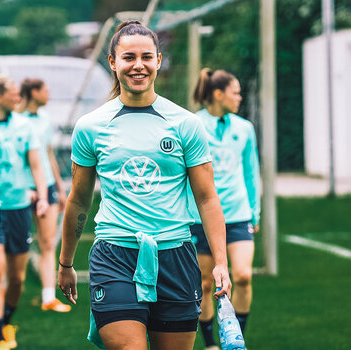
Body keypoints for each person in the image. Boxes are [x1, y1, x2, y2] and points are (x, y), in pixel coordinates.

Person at [57, 21, 232, 350]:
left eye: (146, 57)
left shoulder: (186, 125)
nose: (138, 65)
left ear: (159, 60)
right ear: (112, 62)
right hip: (115, 255)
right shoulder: (90, 127)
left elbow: (207, 198)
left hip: (175, 256)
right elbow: (78, 201)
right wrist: (66, 263)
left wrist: (220, 262)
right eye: (128, 57)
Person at [189, 68, 261, 350]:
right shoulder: (193, 124)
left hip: (238, 215)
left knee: (242, 276)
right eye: (236, 92)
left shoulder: (244, 128)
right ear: (218, 94)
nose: (240, 97)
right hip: (201, 219)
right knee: (206, 284)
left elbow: (251, 171)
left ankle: (236, 340)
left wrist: (254, 211)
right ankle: (210, 344)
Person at [0, 73, 49, 350]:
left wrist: (41, 197)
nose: (19, 97)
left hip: (19, 208)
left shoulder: (24, 125)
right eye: (14, 92)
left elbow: (36, 165)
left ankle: (6, 319)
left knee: (17, 279)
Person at [18, 78, 71, 313]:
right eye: (45, 90)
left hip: (47, 187)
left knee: (48, 243)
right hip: (21, 190)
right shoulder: (15, 120)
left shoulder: (45, 119)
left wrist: (59, 189)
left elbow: (49, 155)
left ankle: (48, 297)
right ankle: (8, 296)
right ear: (33, 93)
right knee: (15, 247)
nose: (49, 94)